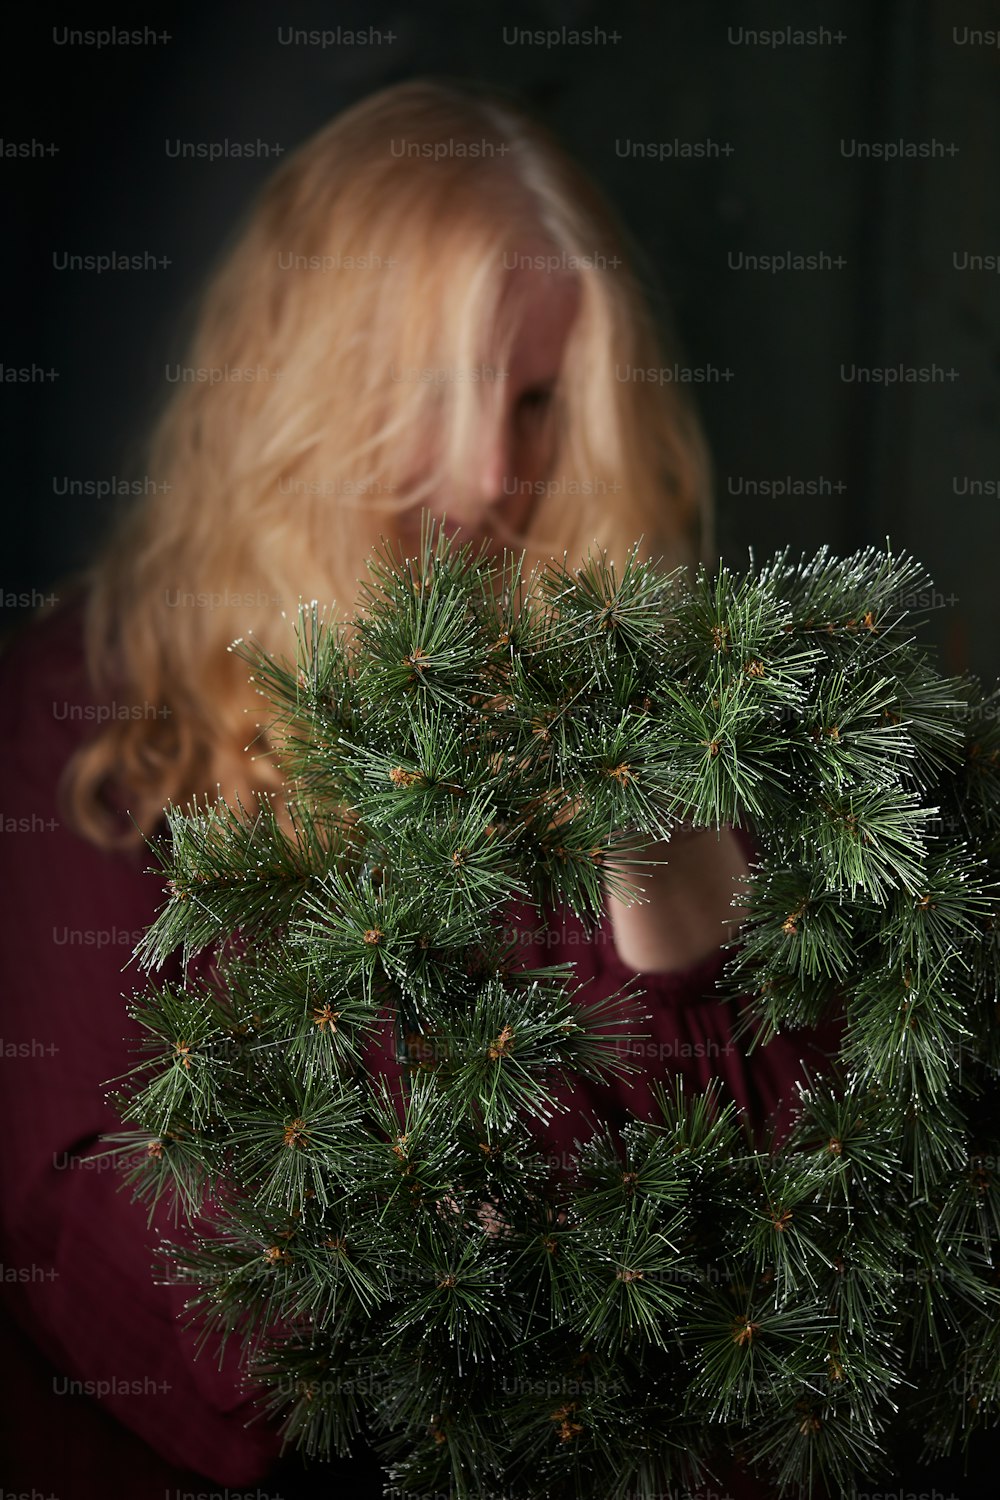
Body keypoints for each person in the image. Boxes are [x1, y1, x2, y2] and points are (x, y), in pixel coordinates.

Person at [0, 78, 831, 1499]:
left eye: (538, 400)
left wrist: (663, 896)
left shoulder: (618, 699)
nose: (493, 474)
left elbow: (795, 1209)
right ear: (305, 378)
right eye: (435, 390)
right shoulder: (92, 706)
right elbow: (83, 1216)